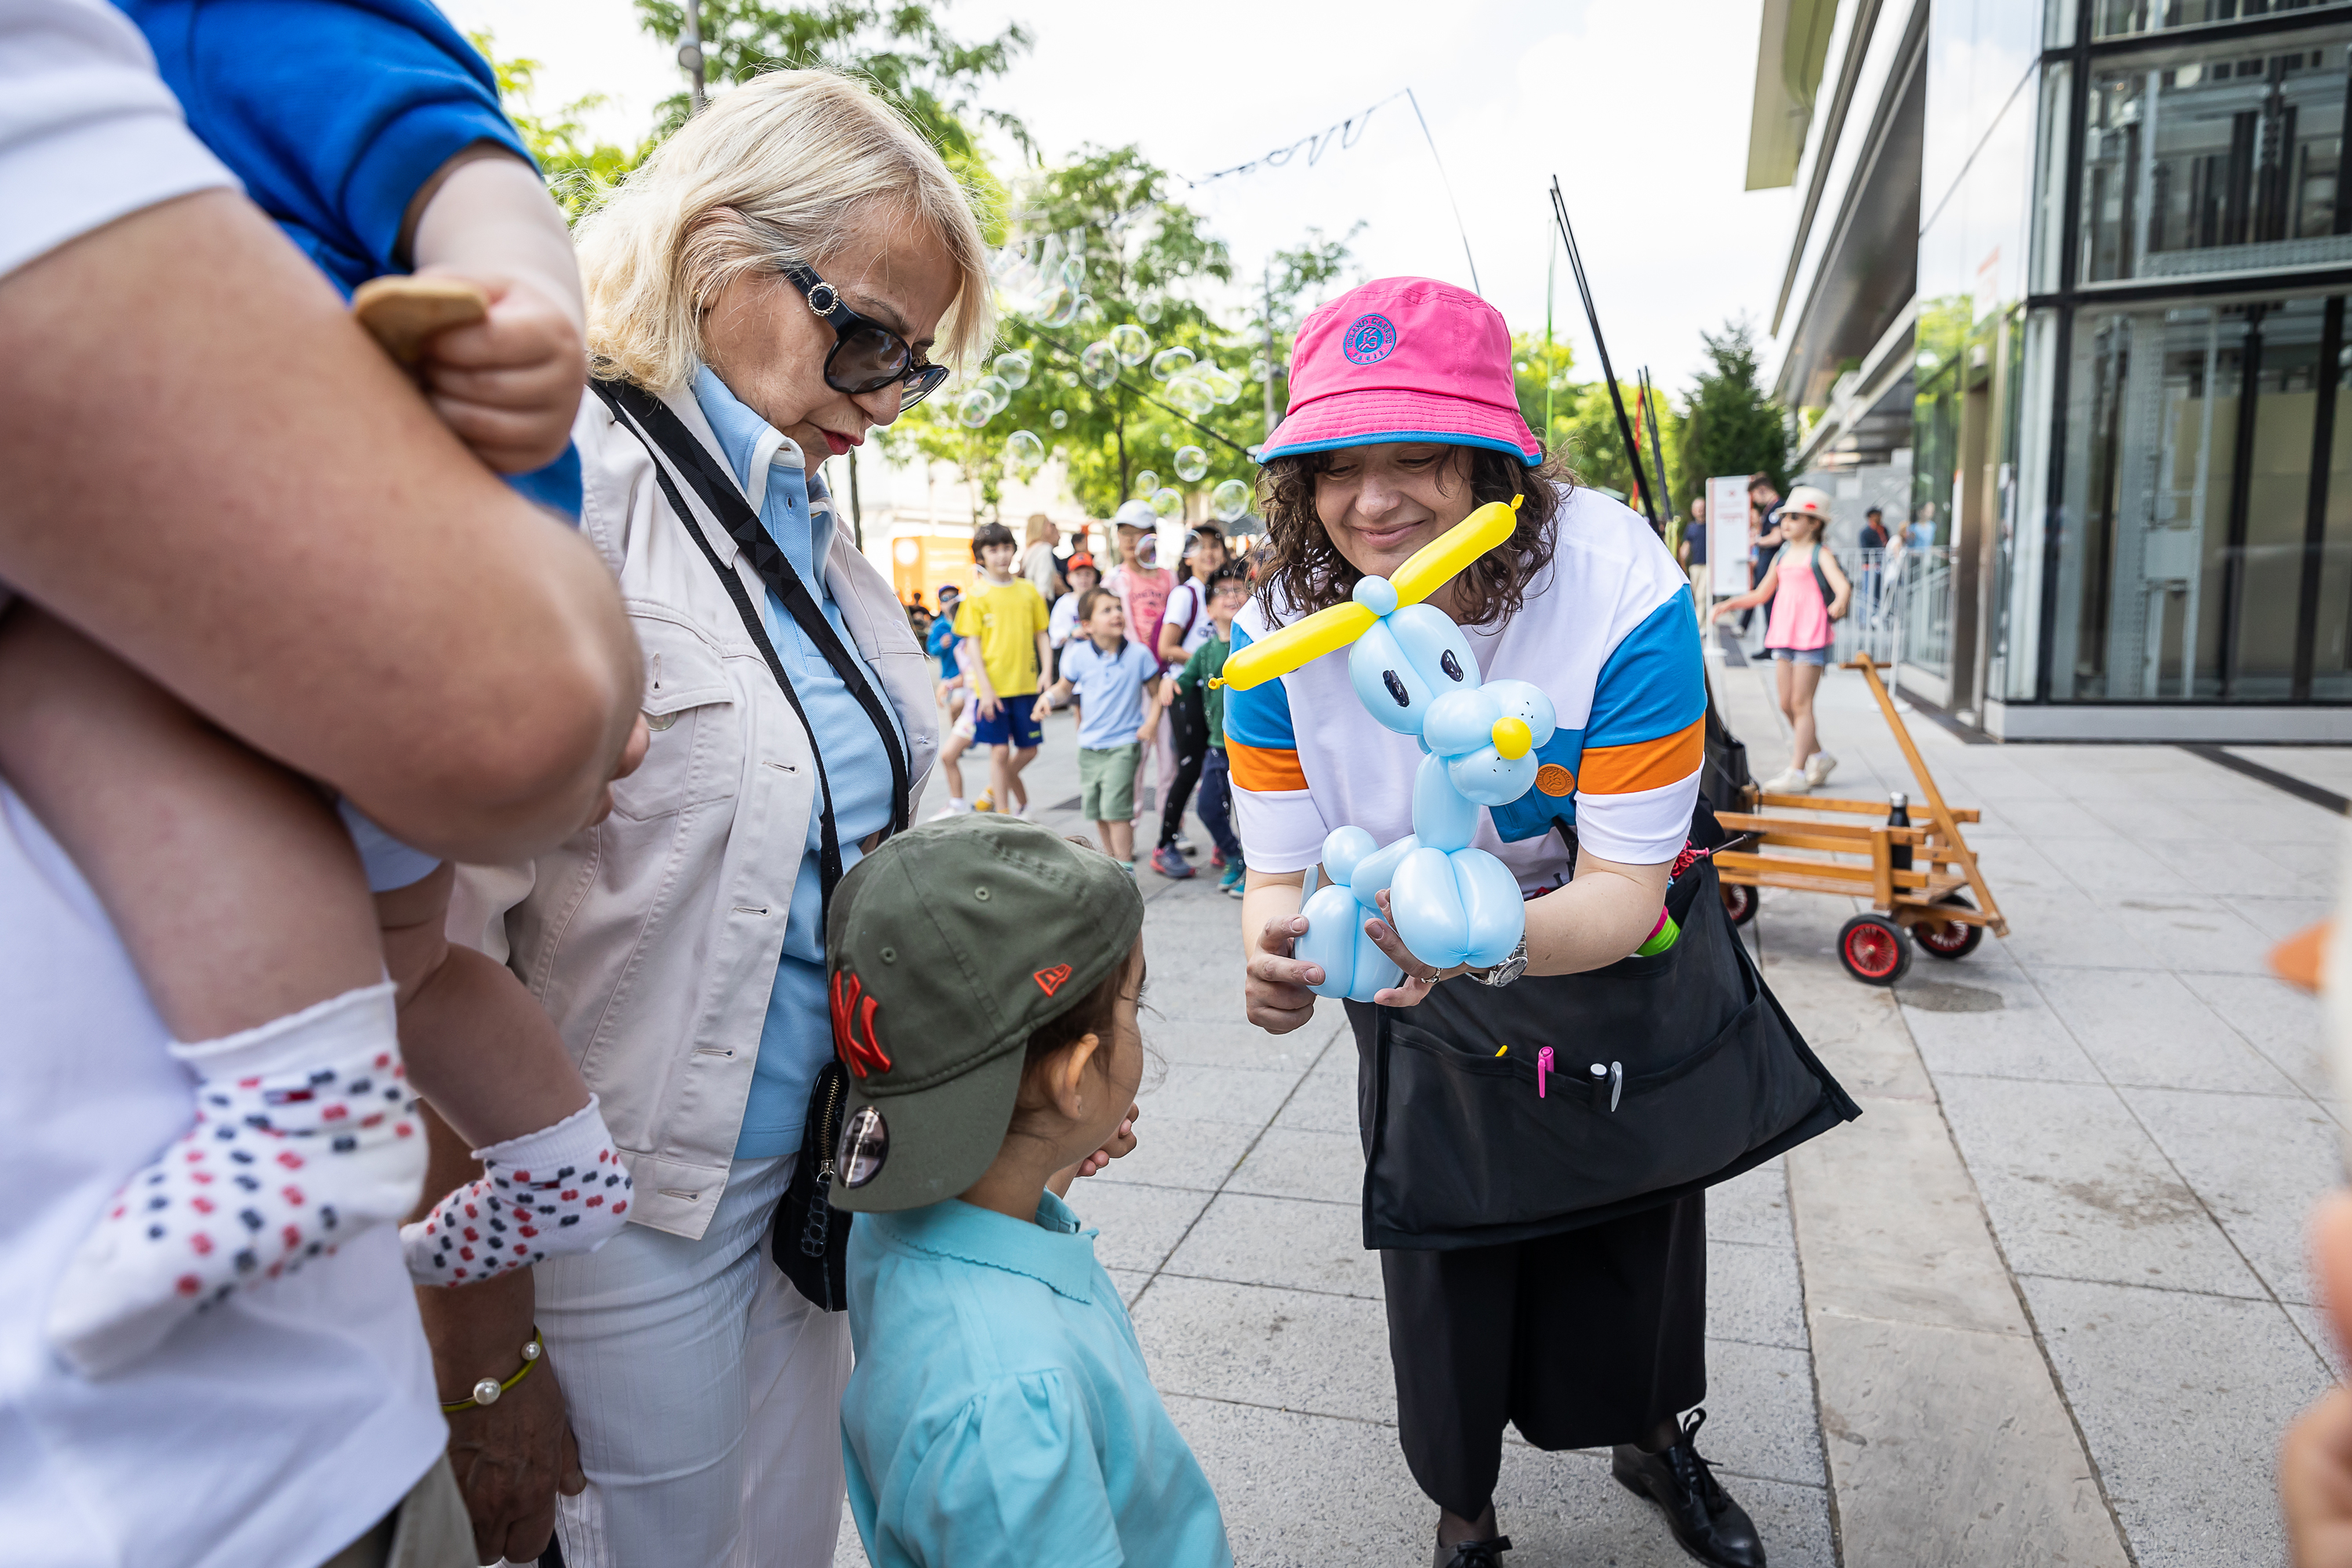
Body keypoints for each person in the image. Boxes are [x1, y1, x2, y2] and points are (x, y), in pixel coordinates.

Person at [2, 3, 642, 1559]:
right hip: (363, 573)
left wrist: (523, 312)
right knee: (416, 960)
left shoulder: (220, 15)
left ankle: (300, 1100)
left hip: (341, 540)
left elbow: (469, 167)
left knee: (51, 669)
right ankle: (545, 1156)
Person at [442, 69, 985, 1563]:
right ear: (712, 252)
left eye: (914, 365)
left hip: (811, 1183)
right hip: (613, 1210)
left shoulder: (806, 521)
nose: (881, 396)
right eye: (863, 334)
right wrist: (484, 1354)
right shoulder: (567, 481)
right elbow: (423, 941)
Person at [1233, 277, 1780, 1568]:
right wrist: (1274, 948)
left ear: (1498, 460)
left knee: (1636, 1218)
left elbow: (1624, 888)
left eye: (1418, 454)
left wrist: (1479, 933)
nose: (1373, 501)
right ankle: (1463, 1515)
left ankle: (1656, 1434)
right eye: (1333, 465)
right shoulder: (1272, 636)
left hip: (1593, 934)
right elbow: (1281, 866)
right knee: (1446, 1248)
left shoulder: (1615, 584)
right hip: (1413, 969)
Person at [828, 815, 1232, 1567]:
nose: (1138, 1017)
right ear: (1074, 1077)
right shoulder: (1012, 1403)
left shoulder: (890, 1219)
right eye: (1132, 1004)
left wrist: (1052, 1152)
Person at [1711, 485, 1850, 795]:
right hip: (1785, 634)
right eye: (1784, 517)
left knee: (1801, 704)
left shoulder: (1820, 554)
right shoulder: (1784, 554)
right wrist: (1728, 604)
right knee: (1787, 704)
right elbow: (1762, 593)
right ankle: (1820, 757)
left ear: (1814, 523)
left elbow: (1842, 586)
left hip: (1811, 636)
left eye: (1795, 517)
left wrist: (1840, 601)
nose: (1785, 522)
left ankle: (1797, 771)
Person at [1036, 588, 1163, 866]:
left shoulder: (1139, 655)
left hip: (1124, 744)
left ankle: (1125, 866)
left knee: (1117, 812)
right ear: (1087, 625)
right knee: (1099, 811)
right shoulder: (1079, 655)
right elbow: (1064, 688)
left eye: (1118, 607)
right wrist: (1047, 698)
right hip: (1089, 747)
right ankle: (1112, 864)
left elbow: (1157, 695)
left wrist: (1151, 723)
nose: (1117, 614)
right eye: (1106, 610)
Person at [953, 520, 1052, 818]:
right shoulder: (976, 595)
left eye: (1006, 547)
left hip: (1026, 686)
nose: (1001, 555)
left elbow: (1042, 635)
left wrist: (1047, 671)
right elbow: (972, 647)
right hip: (992, 689)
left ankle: (1001, 796)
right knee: (999, 751)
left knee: (1029, 750)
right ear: (981, 556)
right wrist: (985, 690)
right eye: (993, 549)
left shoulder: (1029, 591)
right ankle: (1006, 813)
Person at [1148, 524, 1229, 877]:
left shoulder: (1228, 592)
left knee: (1221, 768)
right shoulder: (1187, 593)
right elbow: (1166, 648)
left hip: (1216, 690)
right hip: (1190, 691)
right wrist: (1205, 661)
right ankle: (1164, 845)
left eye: (1215, 546)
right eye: (1201, 547)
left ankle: (1222, 845)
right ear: (1187, 556)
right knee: (1190, 768)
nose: (1209, 553)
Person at [1177, 563, 1250, 897]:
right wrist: (1168, 687)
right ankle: (1235, 856)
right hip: (1217, 746)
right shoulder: (1206, 652)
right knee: (1208, 806)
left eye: (1237, 589)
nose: (1230, 596)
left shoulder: (1253, 643)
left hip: (1250, 745)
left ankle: (1257, 869)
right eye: (1221, 592)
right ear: (1208, 609)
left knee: (1253, 813)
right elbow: (1183, 680)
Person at [1105, 498, 1176, 830]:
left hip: (1165, 678)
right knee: (1134, 757)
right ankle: (1127, 827)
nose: (1132, 542)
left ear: (1153, 537)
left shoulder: (1168, 578)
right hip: (1133, 682)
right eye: (1125, 534)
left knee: (1169, 759)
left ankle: (1169, 829)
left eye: (1140, 534)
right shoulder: (1114, 580)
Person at [1741, 474, 1784, 638]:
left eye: (1755, 496)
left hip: (1771, 558)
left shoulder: (1777, 508)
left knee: (1768, 600)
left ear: (1762, 490)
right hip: (1768, 559)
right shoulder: (1771, 509)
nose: (1756, 501)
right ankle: (1771, 641)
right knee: (1765, 599)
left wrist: (1757, 541)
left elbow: (1776, 537)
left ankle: (1773, 642)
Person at [1679, 496, 1709, 628]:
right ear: (1693, 511)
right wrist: (1681, 558)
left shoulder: (1711, 525)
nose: (1700, 511)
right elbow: (1686, 545)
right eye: (1697, 509)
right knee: (1697, 597)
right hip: (1694, 566)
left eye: (1702, 508)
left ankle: (1699, 627)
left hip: (1709, 566)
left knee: (1703, 596)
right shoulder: (1691, 527)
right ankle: (1702, 624)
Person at [1020, 510, 1065, 600]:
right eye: (1048, 524)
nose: (1051, 528)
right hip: (1042, 601)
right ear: (1041, 527)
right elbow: (1043, 585)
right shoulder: (1044, 549)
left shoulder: (1029, 550)